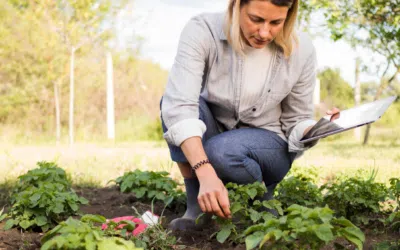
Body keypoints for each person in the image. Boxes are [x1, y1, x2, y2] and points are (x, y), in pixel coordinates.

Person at [160, 0, 340, 231]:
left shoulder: (301, 48)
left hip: (269, 144)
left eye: (276, 22)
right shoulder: (203, 30)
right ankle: (198, 208)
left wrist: (314, 130)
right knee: (171, 104)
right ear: (236, 6)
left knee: (221, 150)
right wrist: (205, 173)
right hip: (216, 132)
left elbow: (296, 119)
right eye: (256, 19)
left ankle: (260, 203)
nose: (265, 33)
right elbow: (180, 106)